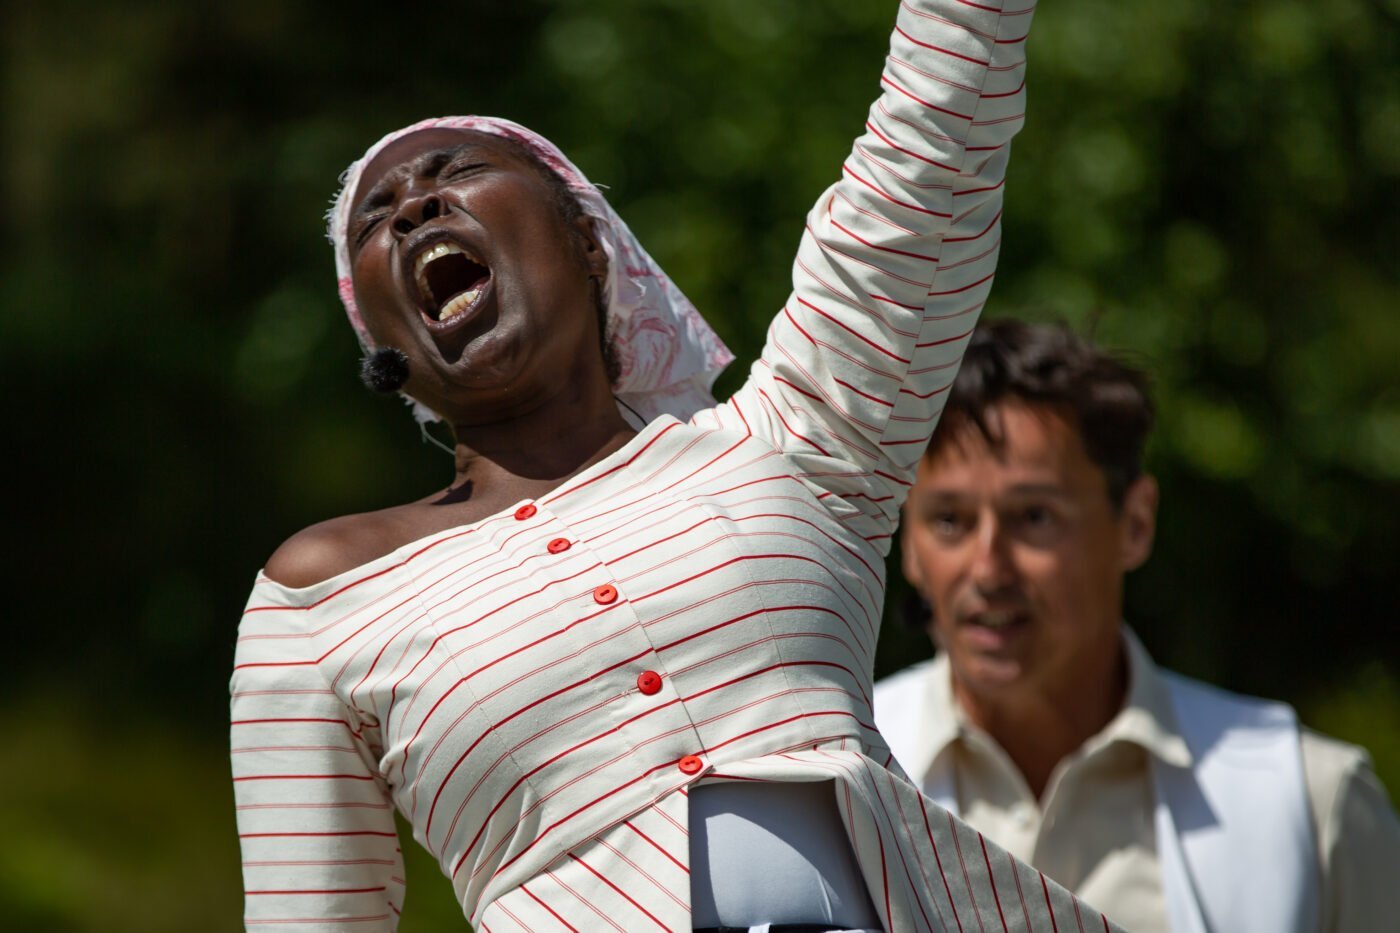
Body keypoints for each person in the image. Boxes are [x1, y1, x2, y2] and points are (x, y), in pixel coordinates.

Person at [229, 1, 1124, 930]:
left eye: (458, 171)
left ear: (587, 239)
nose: (415, 204)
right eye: (378, 216)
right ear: (378, 334)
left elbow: (926, 166)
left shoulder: (789, 443)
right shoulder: (317, 600)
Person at [874, 318, 1400, 933]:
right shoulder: (828, 783)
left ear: (1136, 523)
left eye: (1034, 516)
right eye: (948, 520)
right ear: (905, 540)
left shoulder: (1310, 801)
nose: (988, 567)